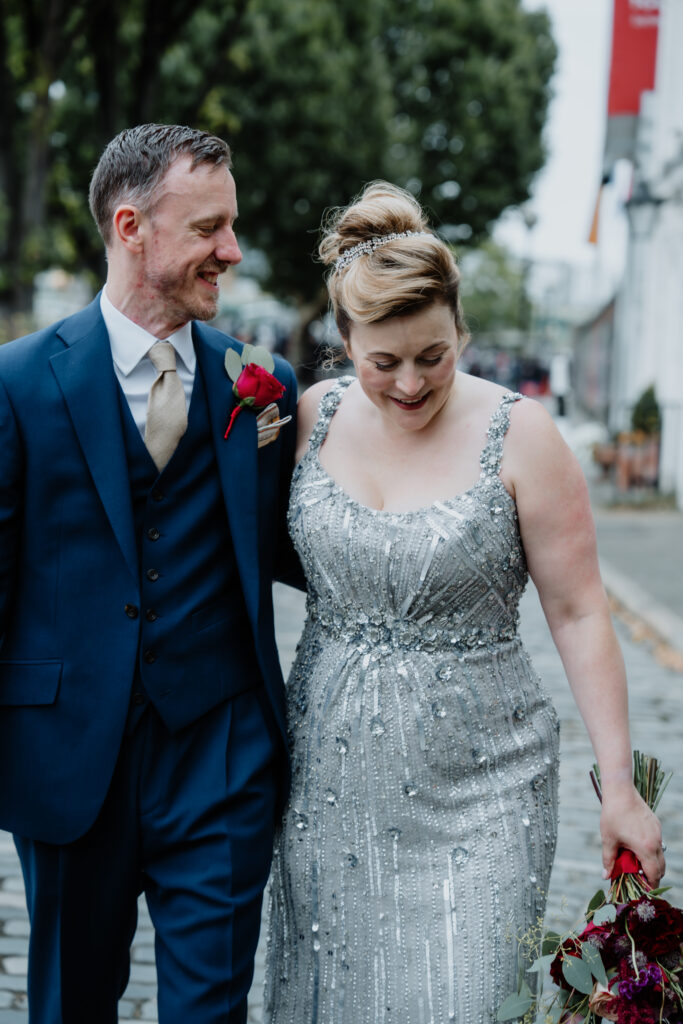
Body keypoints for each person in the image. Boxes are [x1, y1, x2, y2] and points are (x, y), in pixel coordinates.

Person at [263, 181, 664, 1022]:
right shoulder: (309, 420)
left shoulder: (520, 435)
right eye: (385, 362)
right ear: (343, 343)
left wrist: (619, 787)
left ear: (460, 333)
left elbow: (582, 611)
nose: (410, 384)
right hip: (329, 788)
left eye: (433, 356)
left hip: (484, 793)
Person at [0, 124, 300, 1024]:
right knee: (68, 1006)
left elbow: (307, 539)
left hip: (219, 758)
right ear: (132, 227)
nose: (232, 251)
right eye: (209, 228)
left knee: (212, 1012)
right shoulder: (17, 383)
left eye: (232, 225)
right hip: (68, 763)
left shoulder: (264, 385)